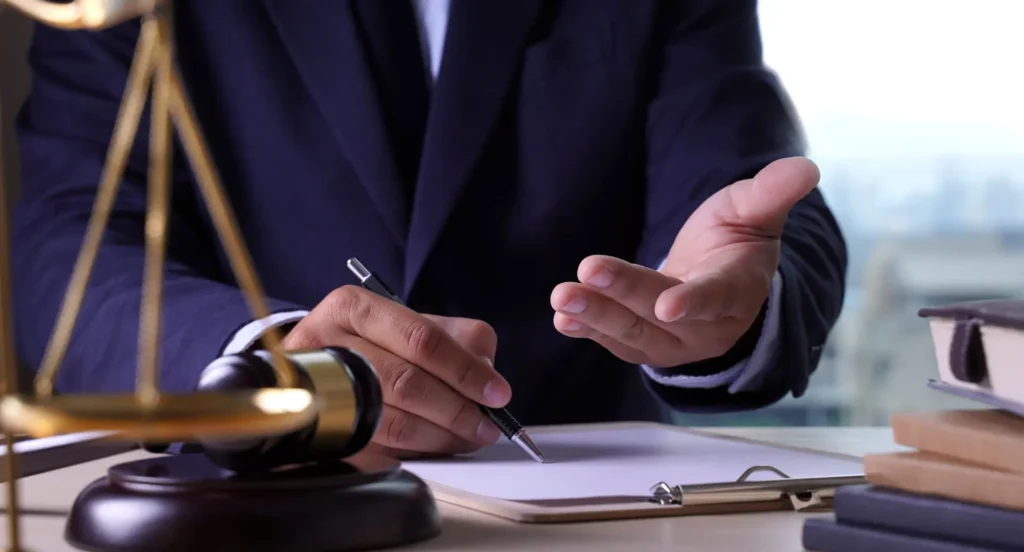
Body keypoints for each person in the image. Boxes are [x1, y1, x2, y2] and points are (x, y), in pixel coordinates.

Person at [11, 0, 846, 460]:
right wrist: (267, 357)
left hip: (586, 527)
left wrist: (729, 304)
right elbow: (66, 248)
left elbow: (746, 199)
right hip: (250, 520)